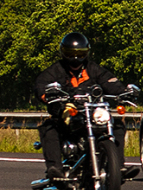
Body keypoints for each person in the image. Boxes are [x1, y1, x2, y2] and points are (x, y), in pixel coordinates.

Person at [34, 32, 132, 181]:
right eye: (71, 54)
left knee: (116, 124)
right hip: (66, 114)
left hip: (91, 112)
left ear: (86, 53)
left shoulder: (93, 69)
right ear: (63, 53)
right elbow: (41, 84)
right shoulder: (55, 70)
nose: (75, 58)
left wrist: (124, 92)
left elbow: (110, 82)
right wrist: (47, 95)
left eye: (80, 54)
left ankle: (117, 166)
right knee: (49, 127)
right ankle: (55, 168)